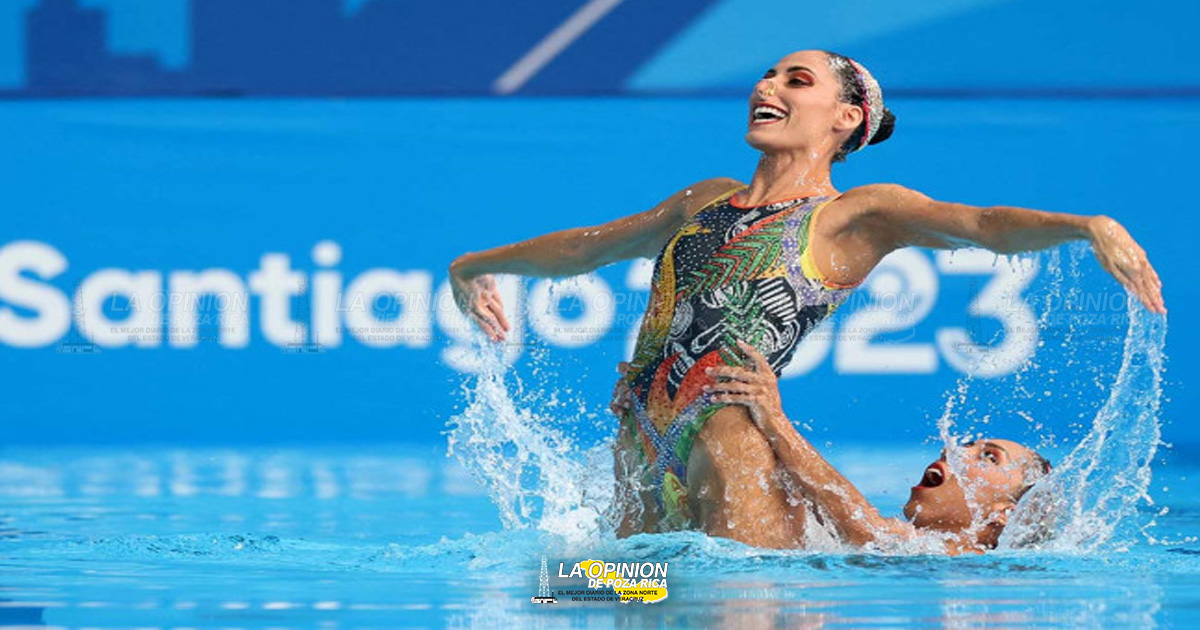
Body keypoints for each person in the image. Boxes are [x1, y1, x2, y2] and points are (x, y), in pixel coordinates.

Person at [449, 49, 1164, 548]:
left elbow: (980, 224)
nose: (769, 86)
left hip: (727, 427)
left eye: (797, 80)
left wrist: (1086, 226)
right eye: (767, 74)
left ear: (845, 118)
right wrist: (474, 265)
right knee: (613, 593)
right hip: (640, 434)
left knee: (736, 599)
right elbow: (590, 245)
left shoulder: (854, 215)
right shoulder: (704, 198)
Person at [698, 340, 1051, 553]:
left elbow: (864, 527)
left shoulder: (962, 559)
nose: (954, 451)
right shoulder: (920, 546)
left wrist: (774, 418)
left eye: (988, 458)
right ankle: (643, 588)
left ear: (1002, 515)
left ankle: (643, 589)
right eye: (971, 444)